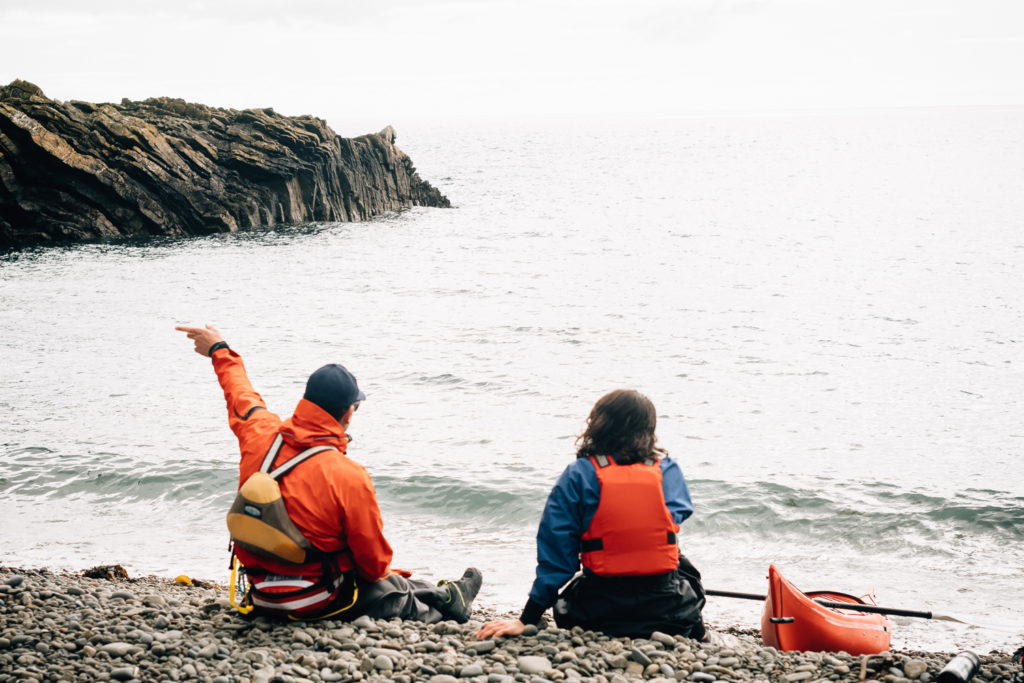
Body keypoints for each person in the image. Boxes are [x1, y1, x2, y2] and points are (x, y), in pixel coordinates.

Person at [176, 324, 481, 622]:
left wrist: (219, 349)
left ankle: (447, 594)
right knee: (390, 589)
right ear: (348, 413)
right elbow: (373, 565)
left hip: (258, 593)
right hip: (316, 600)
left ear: (306, 401)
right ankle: (447, 604)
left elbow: (240, 393)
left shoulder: (258, 432)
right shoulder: (348, 475)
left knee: (393, 582)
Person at [476, 389, 706, 641]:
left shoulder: (579, 474)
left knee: (571, 590)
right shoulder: (667, 470)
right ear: (648, 430)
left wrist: (526, 619)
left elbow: (556, 556)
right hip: (669, 614)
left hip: (595, 616)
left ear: (598, 424)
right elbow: (675, 514)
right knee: (683, 565)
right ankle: (699, 633)